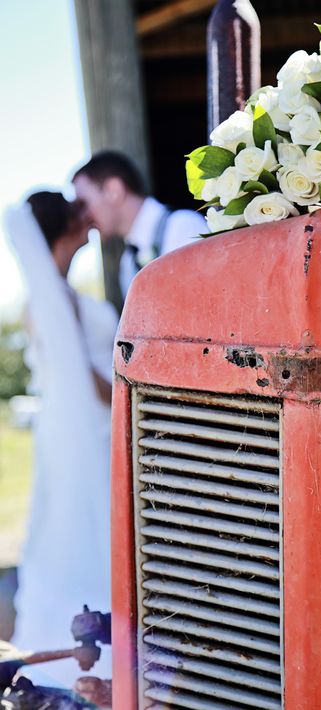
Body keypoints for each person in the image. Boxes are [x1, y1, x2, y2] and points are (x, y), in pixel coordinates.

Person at [4, 193, 118, 687]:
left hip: (60, 436)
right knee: (94, 526)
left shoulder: (41, 303)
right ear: (66, 229)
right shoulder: (66, 303)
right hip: (92, 433)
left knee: (62, 524)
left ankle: (69, 637)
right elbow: (91, 381)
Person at [72, 150, 208, 298]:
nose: (83, 217)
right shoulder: (127, 264)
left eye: (83, 204)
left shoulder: (183, 226)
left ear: (113, 190)